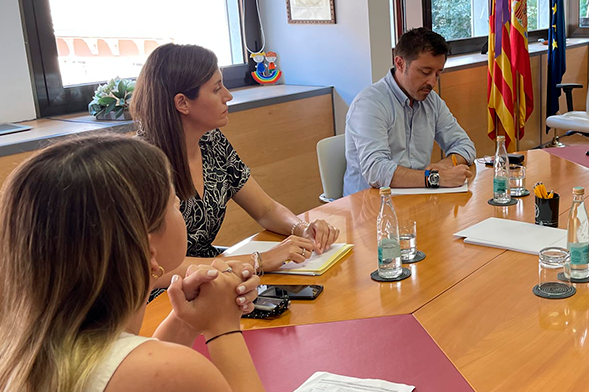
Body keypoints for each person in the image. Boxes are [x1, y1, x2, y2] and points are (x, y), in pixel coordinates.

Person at [0, 134, 287, 392]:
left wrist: (185, 321)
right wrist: (222, 327)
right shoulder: (166, 377)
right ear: (148, 245)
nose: (180, 209)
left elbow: (117, 378)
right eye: (175, 204)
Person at [131, 43, 340, 286]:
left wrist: (301, 228)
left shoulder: (212, 142)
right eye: (217, 88)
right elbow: (149, 269)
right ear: (183, 103)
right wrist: (258, 260)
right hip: (162, 293)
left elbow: (265, 209)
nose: (228, 96)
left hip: (210, 275)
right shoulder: (140, 166)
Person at [343, 27, 476, 196]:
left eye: (438, 74)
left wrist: (447, 164)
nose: (432, 82)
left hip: (416, 198)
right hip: (372, 206)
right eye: (425, 72)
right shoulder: (370, 104)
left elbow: (465, 145)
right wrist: (436, 178)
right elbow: (376, 171)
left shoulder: (431, 100)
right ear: (400, 63)